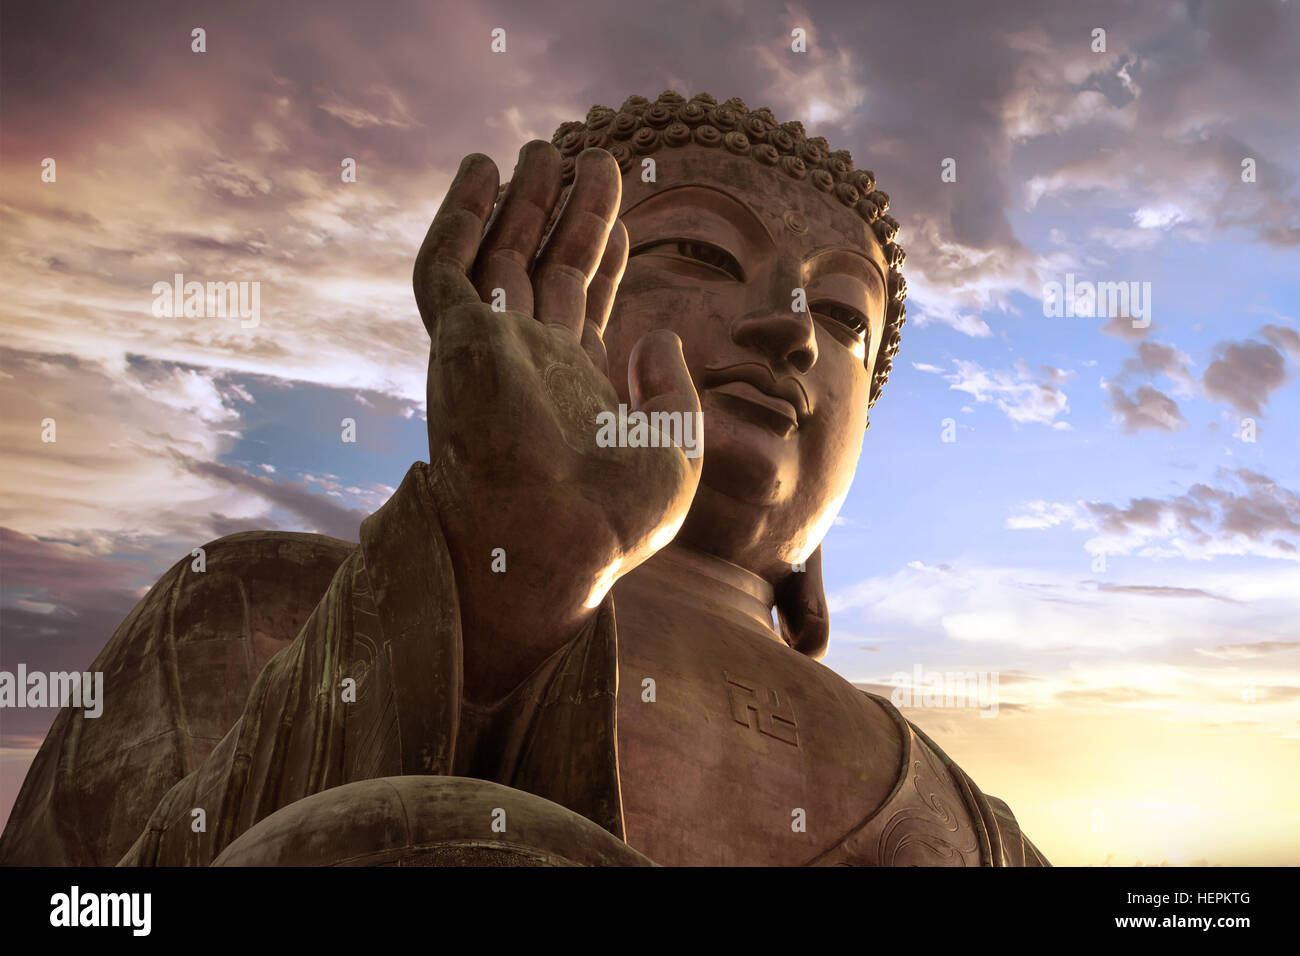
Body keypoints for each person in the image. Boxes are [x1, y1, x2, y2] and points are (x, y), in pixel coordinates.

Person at [0, 92, 1046, 867]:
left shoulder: (977, 825)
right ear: (544, 296)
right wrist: (500, 587)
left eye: (843, 317)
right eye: (697, 250)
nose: (786, 327)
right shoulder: (253, 603)